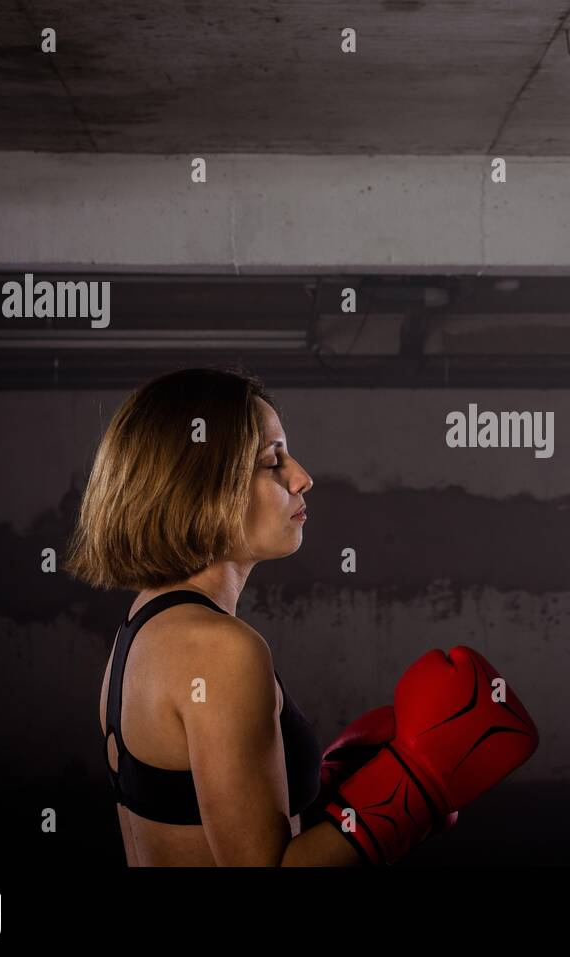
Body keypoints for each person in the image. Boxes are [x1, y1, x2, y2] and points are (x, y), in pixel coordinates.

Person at [66, 367, 537, 866]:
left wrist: (333, 784)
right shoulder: (221, 650)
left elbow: (192, 814)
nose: (302, 477)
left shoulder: (143, 627)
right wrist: (414, 783)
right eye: (273, 462)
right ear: (203, 486)